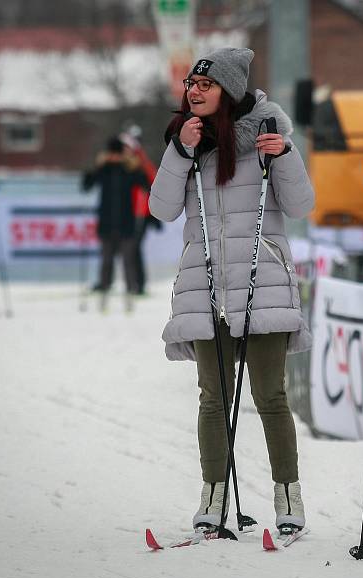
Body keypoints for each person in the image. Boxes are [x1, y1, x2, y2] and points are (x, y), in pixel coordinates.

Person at [149, 47, 314, 534]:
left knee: (271, 396)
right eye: (191, 85)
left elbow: (302, 205)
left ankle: (289, 498)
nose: (194, 92)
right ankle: (213, 498)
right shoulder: (187, 141)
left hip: (262, 282)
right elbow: (161, 210)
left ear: (230, 91)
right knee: (212, 398)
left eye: (206, 85)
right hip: (206, 285)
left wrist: (284, 154)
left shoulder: (267, 133)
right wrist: (179, 151)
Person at [81, 137, 150, 295]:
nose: (114, 157)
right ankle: (104, 284)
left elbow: (146, 183)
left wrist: (134, 164)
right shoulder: (104, 169)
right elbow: (87, 185)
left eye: (117, 153)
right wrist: (94, 167)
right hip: (106, 221)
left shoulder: (129, 169)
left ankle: (132, 287)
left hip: (126, 222)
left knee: (128, 259)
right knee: (106, 258)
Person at [119, 129, 162, 296]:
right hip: (130, 213)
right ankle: (135, 283)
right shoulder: (126, 163)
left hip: (140, 214)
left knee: (134, 248)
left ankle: (139, 284)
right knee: (132, 249)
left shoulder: (141, 163)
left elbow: (152, 181)